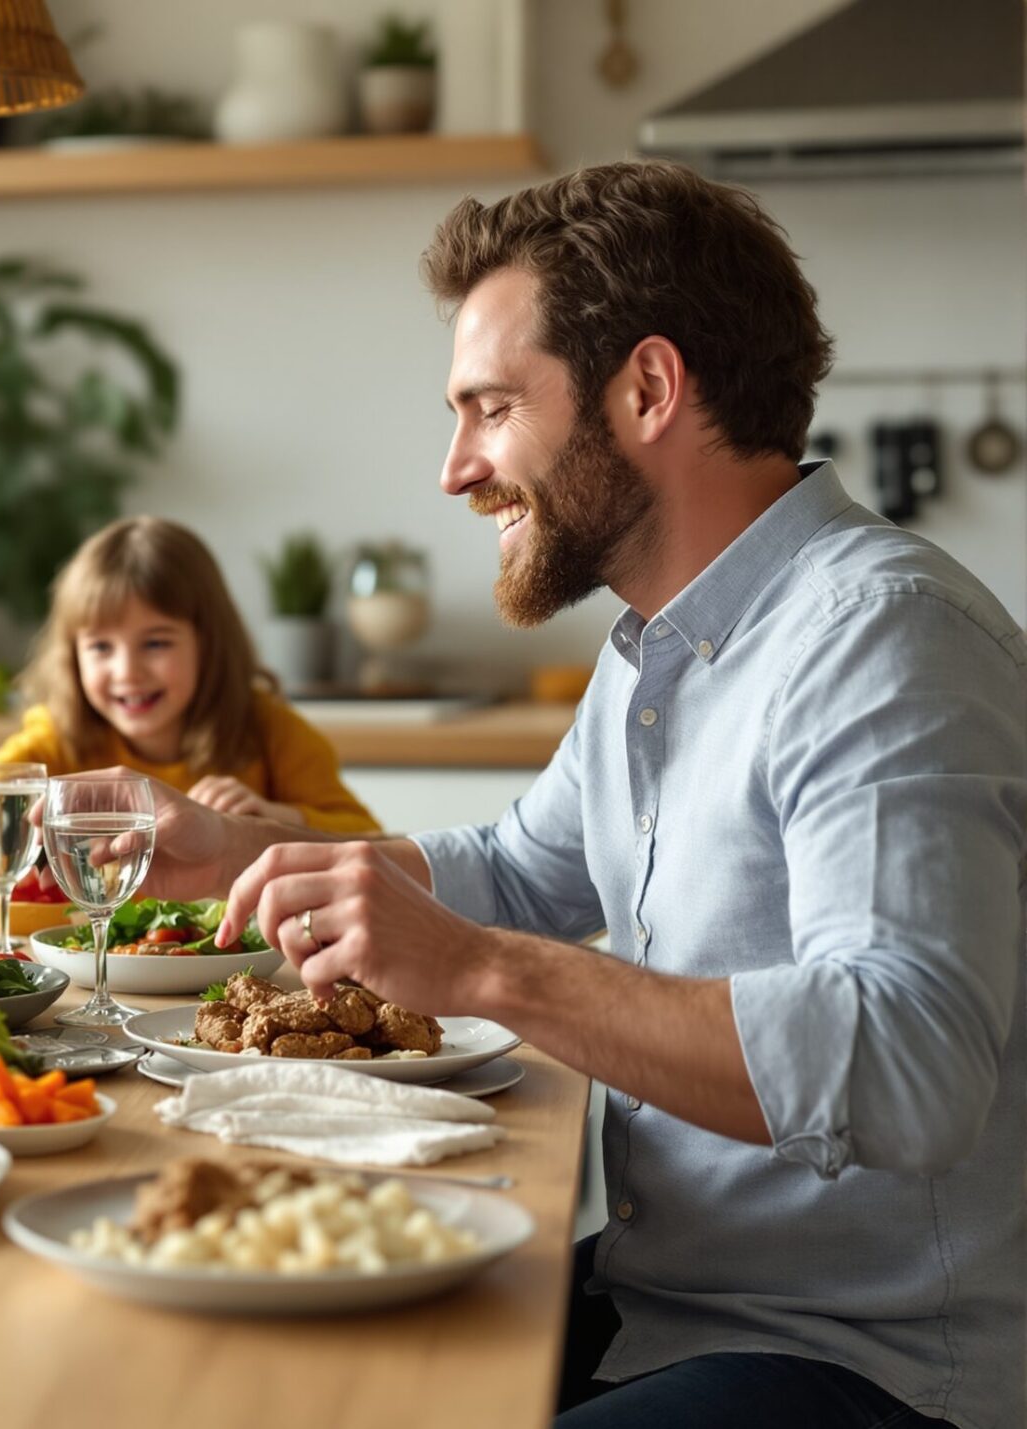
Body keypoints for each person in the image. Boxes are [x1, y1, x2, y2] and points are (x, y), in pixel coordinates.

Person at [145, 162, 1022, 1429]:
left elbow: (905, 1061)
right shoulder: (661, 647)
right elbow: (517, 869)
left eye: (490, 408)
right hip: (669, 1300)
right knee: (265, 1371)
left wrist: (490, 973)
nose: (456, 470)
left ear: (648, 390)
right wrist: (232, 850)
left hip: (858, 1363)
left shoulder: (879, 636)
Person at [0, 515, 378, 864]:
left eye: (156, 643)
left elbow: (369, 840)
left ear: (210, 642)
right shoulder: (60, 736)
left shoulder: (266, 728)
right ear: (72, 655)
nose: (127, 671)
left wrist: (271, 819)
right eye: (101, 648)